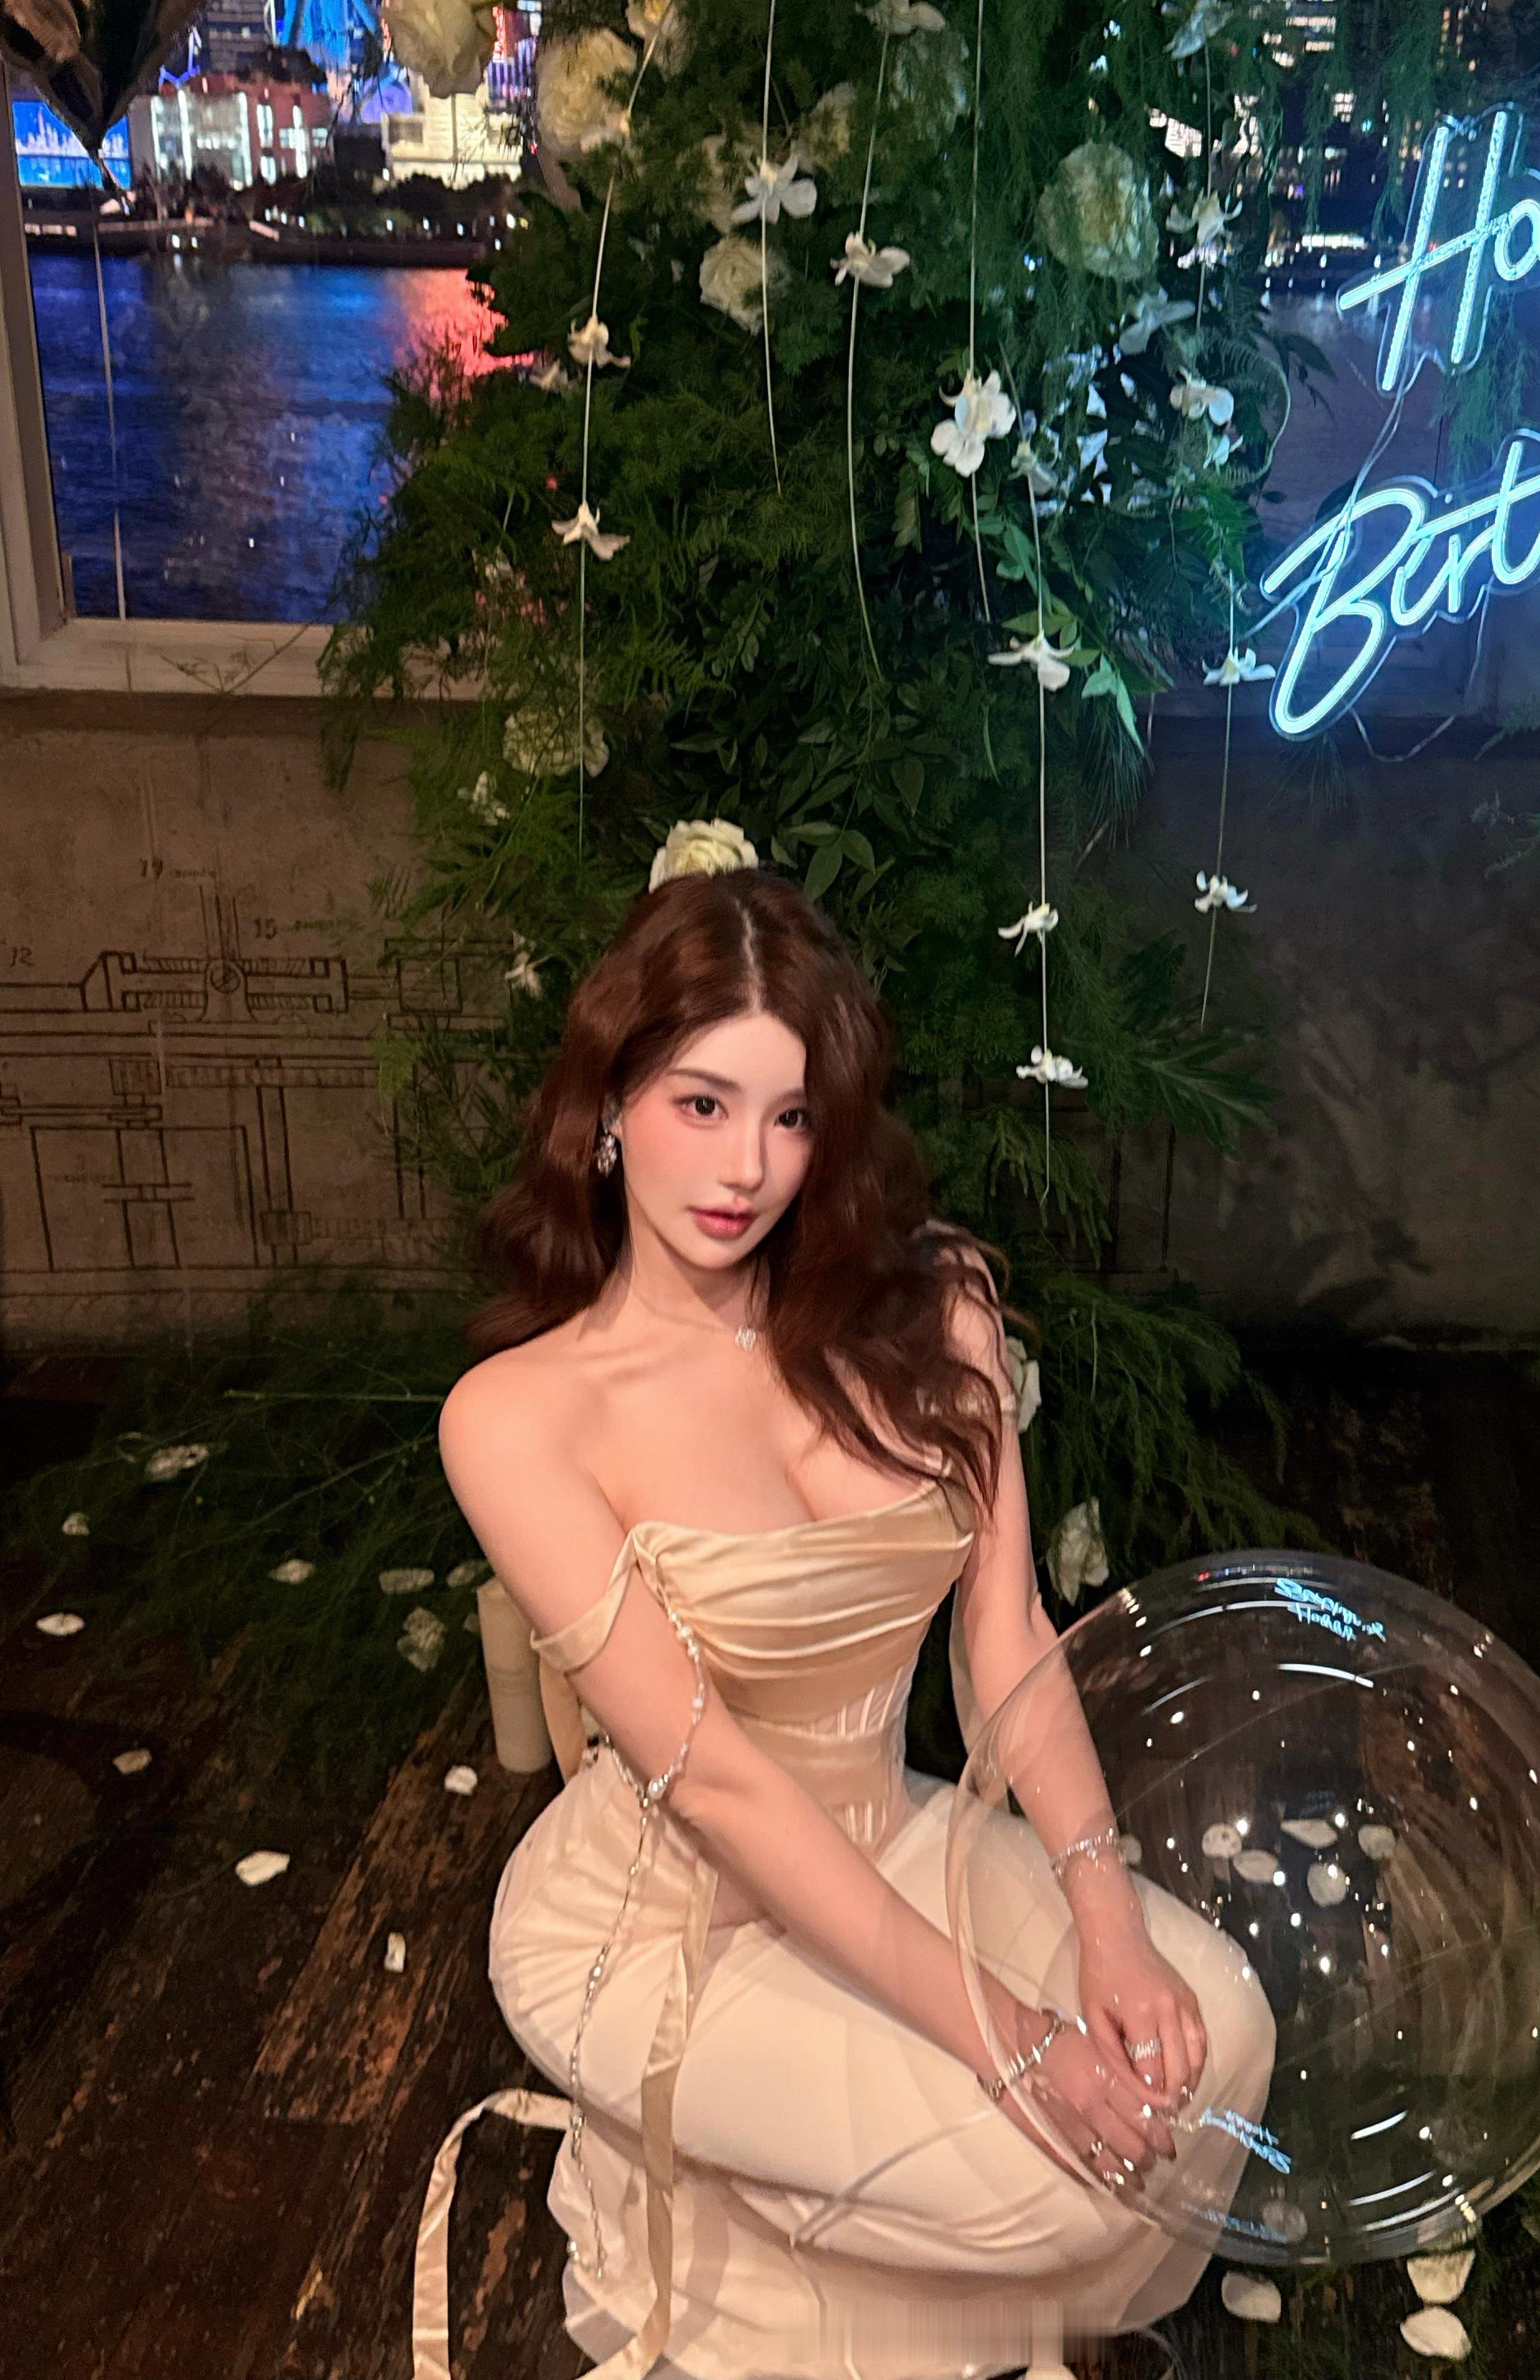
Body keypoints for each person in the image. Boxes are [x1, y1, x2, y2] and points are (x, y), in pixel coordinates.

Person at [412, 826, 1275, 2380]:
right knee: (1054, 2170)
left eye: (792, 1115)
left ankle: (808, 2199)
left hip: (890, 1837)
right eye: (701, 1104)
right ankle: (724, 2219)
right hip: (662, 1920)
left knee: (1219, 2036)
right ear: (609, 1108)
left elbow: (1006, 1638)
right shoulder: (518, 1418)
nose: (746, 1167)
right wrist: (1010, 2038)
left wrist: (1105, 1925)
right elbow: (724, 1789)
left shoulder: (936, 1305)